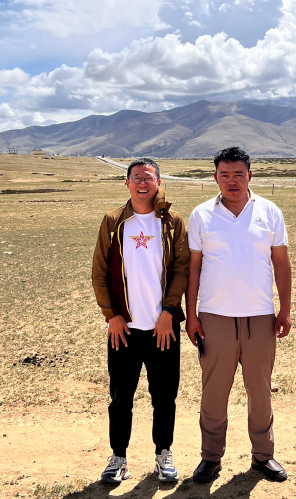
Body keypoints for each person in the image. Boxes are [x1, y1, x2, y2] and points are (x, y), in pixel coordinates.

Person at [185, 146, 292, 483]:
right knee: (214, 393)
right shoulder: (201, 215)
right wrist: (191, 315)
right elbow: (193, 269)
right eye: (224, 174)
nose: (232, 181)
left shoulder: (270, 212)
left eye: (238, 174)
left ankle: (263, 456)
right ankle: (210, 458)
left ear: (250, 175)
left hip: (260, 317)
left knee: (260, 392)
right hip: (214, 317)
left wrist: (285, 310)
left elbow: (281, 263)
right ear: (215, 177)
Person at [92, 158, 189, 484]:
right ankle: (118, 458)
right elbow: (99, 273)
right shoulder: (114, 222)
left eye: (148, 178)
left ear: (158, 182)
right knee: (121, 399)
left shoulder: (172, 222)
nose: (142, 183)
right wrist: (112, 316)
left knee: (165, 397)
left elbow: (181, 270)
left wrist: (168, 313)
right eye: (136, 178)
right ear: (127, 183)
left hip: (164, 329)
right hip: (124, 330)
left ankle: (164, 454)